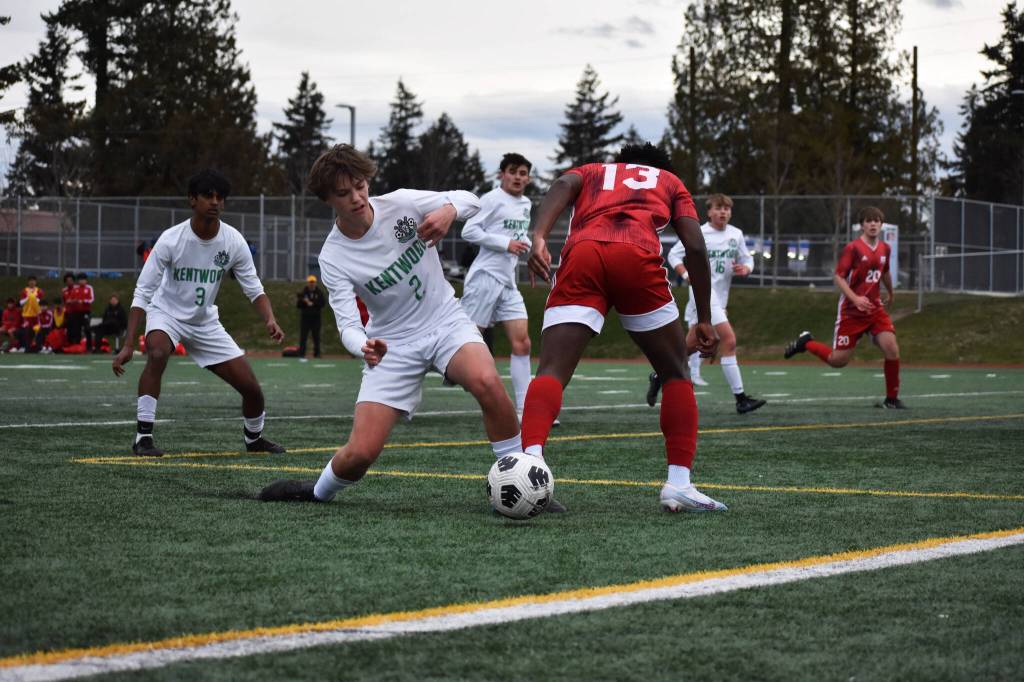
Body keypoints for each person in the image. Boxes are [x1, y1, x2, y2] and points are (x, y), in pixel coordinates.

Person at [259, 144, 564, 511]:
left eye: (360, 185)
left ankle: (523, 477)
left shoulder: (401, 203)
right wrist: (364, 346)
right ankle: (317, 492)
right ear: (328, 200)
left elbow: (471, 201)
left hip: (445, 321)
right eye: (343, 193)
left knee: (486, 383)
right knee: (359, 454)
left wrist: (449, 211)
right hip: (393, 344)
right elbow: (347, 325)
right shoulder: (333, 256)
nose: (357, 197)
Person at [521, 142, 727, 513]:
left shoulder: (595, 171)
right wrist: (705, 319)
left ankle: (530, 469)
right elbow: (695, 246)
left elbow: (562, 186)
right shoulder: (669, 181)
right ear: (659, 168)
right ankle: (679, 484)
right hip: (636, 255)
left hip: (582, 254)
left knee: (551, 370)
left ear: (621, 164)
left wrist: (539, 236)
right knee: (676, 371)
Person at [112, 169, 288, 456]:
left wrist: (270, 318)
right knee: (157, 353)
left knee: (252, 390)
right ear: (192, 200)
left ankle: (254, 440)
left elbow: (254, 288)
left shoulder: (233, 241)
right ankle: (143, 438)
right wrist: (129, 344)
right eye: (208, 196)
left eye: (220, 197)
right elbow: (142, 293)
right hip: (166, 314)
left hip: (205, 321)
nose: (215, 202)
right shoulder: (170, 240)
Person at [646, 194, 766, 415]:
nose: (723, 212)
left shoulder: (736, 234)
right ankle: (741, 399)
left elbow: (747, 259)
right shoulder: (700, 232)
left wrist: (746, 269)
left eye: (727, 209)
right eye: (719, 208)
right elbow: (674, 255)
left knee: (687, 347)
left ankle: (659, 375)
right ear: (709, 212)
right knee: (728, 340)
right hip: (703, 295)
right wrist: (685, 274)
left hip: (719, 298)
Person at [783, 205, 905, 409]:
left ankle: (891, 400)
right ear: (862, 225)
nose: (873, 224)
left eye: (876, 220)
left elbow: (884, 272)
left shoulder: (885, 248)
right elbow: (838, 277)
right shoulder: (853, 248)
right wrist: (856, 299)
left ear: (881, 225)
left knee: (891, 348)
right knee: (838, 361)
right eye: (868, 220)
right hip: (851, 312)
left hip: (874, 310)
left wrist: (891, 292)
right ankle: (806, 343)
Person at [459, 153, 540, 419]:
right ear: (501, 174)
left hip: (507, 282)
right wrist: (504, 244)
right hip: (484, 278)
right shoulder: (491, 199)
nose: (518, 177)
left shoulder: (526, 203)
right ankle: (406, 386)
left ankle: (524, 408)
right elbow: (469, 231)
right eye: (513, 171)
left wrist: (533, 251)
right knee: (459, 342)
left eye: (523, 173)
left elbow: (517, 238)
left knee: (523, 343)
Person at [296, 274, 326, 358]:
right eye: (310, 282)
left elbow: (322, 303)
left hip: (316, 318)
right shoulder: (303, 292)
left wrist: (313, 303)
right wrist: (304, 302)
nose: (311, 284)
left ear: (315, 283)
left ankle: (317, 354)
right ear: (308, 283)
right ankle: (302, 354)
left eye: (313, 282)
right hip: (305, 318)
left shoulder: (319, 292)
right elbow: (298, 305)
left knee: (316, 336)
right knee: (303, 336)